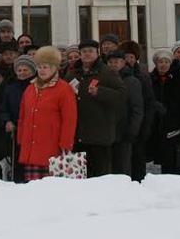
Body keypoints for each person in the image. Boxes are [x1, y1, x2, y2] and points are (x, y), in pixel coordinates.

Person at [17, 46, 77, 182]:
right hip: (31, 148)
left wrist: (66, 143)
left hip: (53, 148)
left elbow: (70, 119)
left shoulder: (64, 89)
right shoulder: (30, 89)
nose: (42, 70)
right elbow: (22, 117)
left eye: (46, 67)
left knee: (52, 190)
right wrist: (21, 138)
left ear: (55, 68)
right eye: (40, 67)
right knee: (32, 188)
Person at [65, 39, 124, 177]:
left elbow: (122, 95)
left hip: (100, 136)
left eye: (90, 51)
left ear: (97, 53)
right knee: (78, 178)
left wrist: (100, 92)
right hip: (77, 136)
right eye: (84, 51)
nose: (87, 54)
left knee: (99, 178)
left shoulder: (107, 72)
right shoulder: (72, 74)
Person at [149, 48, 180, 174]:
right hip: (160, 126)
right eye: (160, 62)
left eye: (166, 62)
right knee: (166, 162)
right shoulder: (152, 79)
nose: (163, 65)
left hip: (178, 125)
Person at [119, 41, 155, 182]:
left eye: (132, 57)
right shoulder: (118, 75)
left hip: (139, 124)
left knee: (138, 159)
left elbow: (148, 102)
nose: (129, 60)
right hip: (125, 125)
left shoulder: (143, 76)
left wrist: (145, 125)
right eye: (126, 57)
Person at [106, 50, 144, 178]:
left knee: (122, 169)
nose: (113, 65)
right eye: (110, 62)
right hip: (107, 133)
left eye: (116, 61)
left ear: (123, 63)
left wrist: (132, 130)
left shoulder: (131, 81)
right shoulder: (104, 80)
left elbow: (137, 108)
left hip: (124, 132)